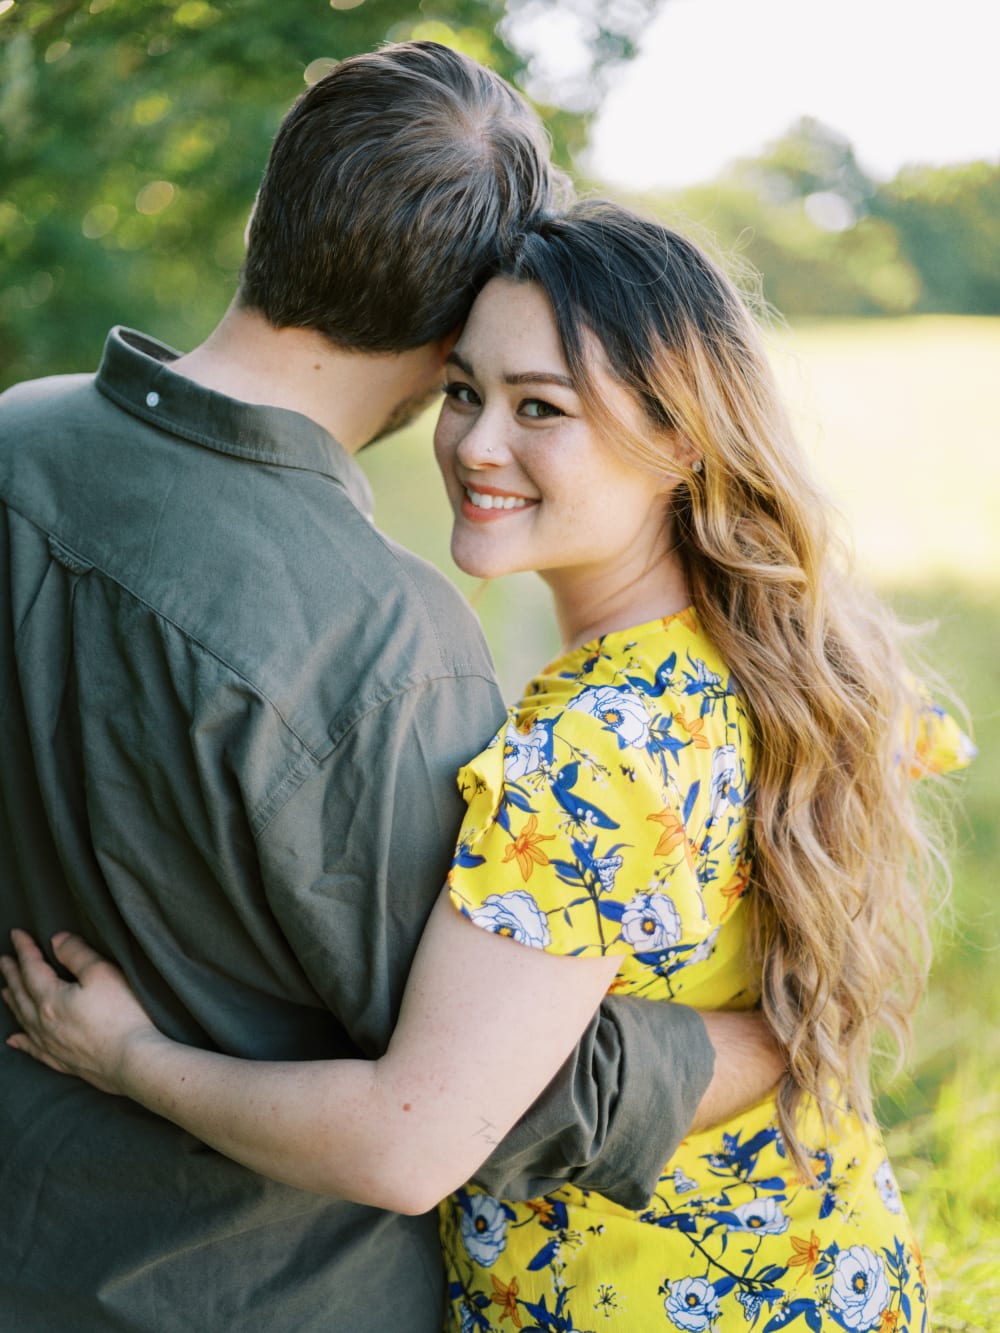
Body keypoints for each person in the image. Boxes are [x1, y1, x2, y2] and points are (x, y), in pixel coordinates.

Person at [2, 201, 974, 1331]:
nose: (475, 444)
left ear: (679, 441)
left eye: (540, 409)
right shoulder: (774, 655)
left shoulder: (594, 742)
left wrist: (127, 1058)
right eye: (464, 391)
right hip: (826, 1270)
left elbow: (408, 1140)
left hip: (643, 1304)